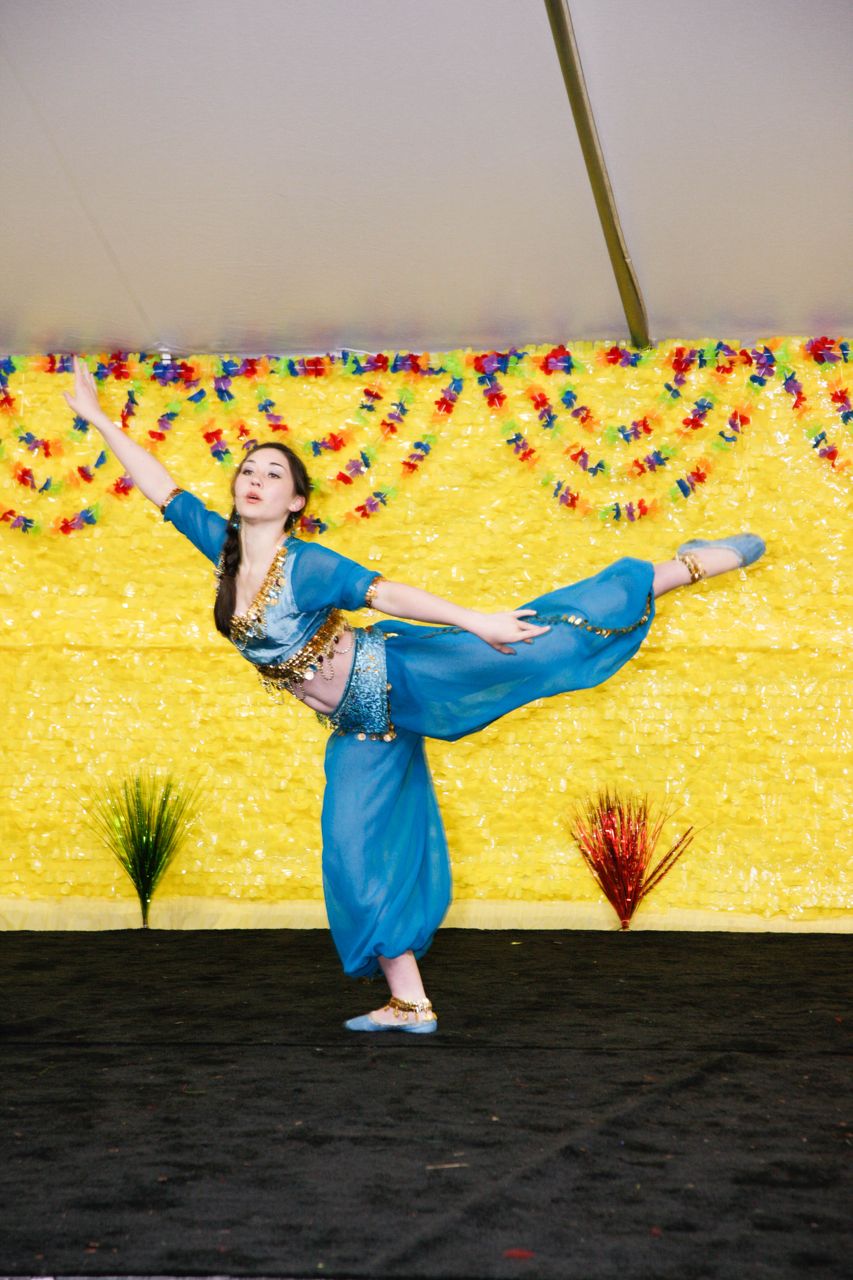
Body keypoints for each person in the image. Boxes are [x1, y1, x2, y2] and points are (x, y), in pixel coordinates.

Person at [63, 354, 766, 1035]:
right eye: (248, 471)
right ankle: (409, 1004)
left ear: (295, 501)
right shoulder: (221, 549)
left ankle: (675, 570)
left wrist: (476, 621)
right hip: (362, 727)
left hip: (399, 675)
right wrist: (98, 420)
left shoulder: (305, 563)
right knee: (352, 853)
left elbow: (387, 593)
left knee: (539, 644)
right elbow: (160, 486)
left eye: (273, 475)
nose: (255, 480)